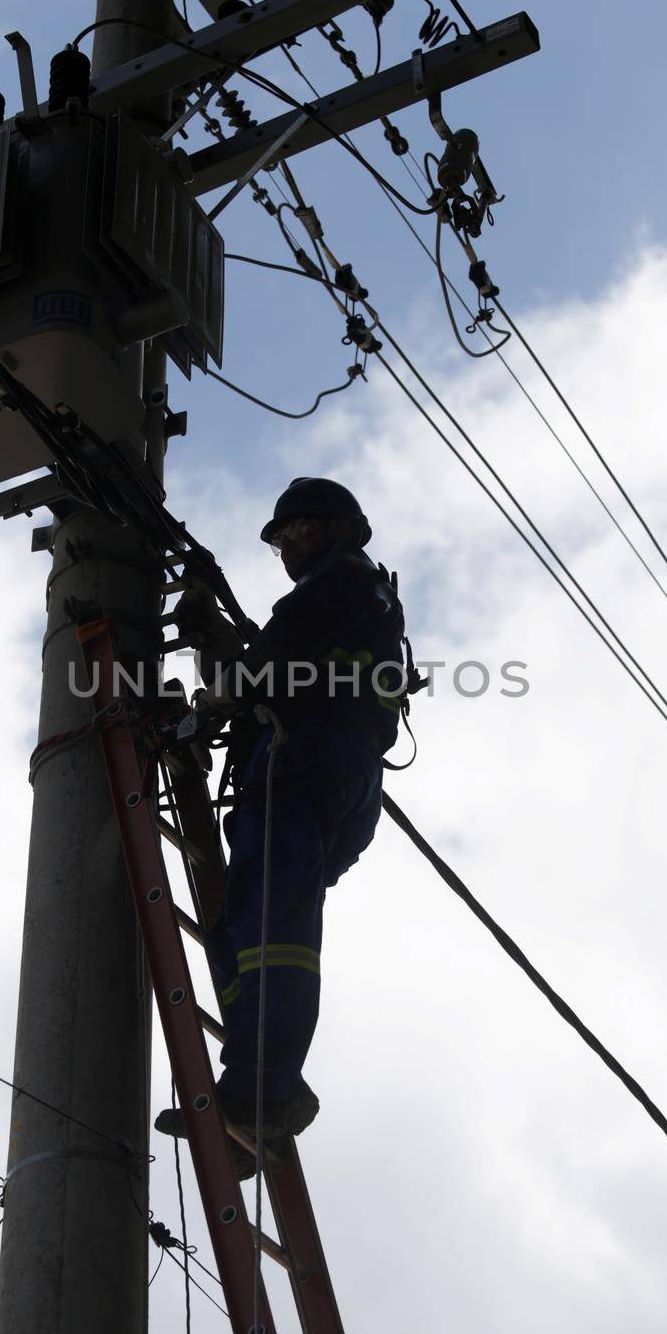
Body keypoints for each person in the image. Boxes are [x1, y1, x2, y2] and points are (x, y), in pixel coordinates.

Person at [155, 478, 409, 1161]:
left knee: (273, 930)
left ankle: (263, 1093)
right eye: (283, 534)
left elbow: (270, 661)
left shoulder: (344, 585)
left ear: (344, 530)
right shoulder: (348, 602)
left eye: (304, 528)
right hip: (311, 774)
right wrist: (218, 654)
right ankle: (245, 1109)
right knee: (239, 934)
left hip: (311, 766)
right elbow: (266, 666)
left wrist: (204, 709)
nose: (291, 542)